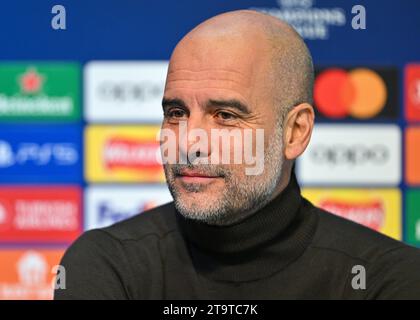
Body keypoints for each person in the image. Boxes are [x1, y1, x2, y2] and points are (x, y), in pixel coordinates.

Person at [55, 10, 420, 299]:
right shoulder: (109, 264)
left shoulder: (387, 279)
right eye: (176, 113)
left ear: (295, 132)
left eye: (225, 116)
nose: (189, 143)